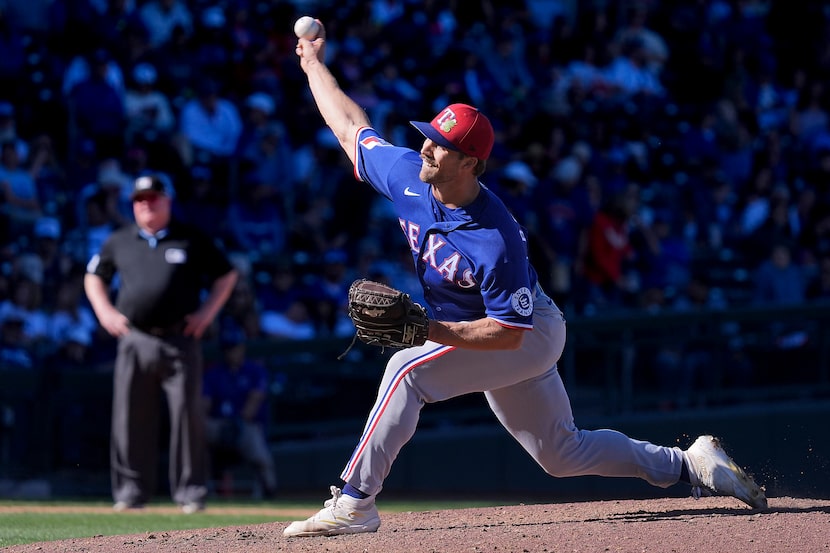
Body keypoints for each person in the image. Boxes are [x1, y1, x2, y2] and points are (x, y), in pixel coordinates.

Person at [283, 20, 768, 538]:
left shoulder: (495, 237)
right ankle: (690, 464)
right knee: (562, 453)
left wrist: (426, 330)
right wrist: (312, 63)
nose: (425, 148)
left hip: (523, 330)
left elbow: (509, 333)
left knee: (407, 371)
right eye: (426, 137)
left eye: (439, 145)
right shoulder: (407, 174)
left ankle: (356, 501)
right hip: (491, 329)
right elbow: (350, 126)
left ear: (470, 163)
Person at [84, 173, 238, 513]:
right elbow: (94, 275)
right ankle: (130, 493)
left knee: (187, 417)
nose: (147, 204)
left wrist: (206, 313)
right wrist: (105, 312)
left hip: (179, 339)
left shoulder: (190, 238)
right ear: (133, 205)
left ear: (167, 201)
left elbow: (226, 274)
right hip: (135, 337)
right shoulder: (119, 240)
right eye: (140, 199)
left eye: (153, 198)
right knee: (129, 417)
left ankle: (191, 493)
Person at [203, 323, 277, 498]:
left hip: (246, 426)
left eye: (235, 348)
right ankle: (201, 487)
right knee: (199, 430)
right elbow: (203, 405)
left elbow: (253, 404)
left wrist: (236, 424)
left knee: (255, 442)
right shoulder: (214, 373)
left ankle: (268, 489)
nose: (232, 353)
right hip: (219, 426)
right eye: (228, 349)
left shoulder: (255, 371)